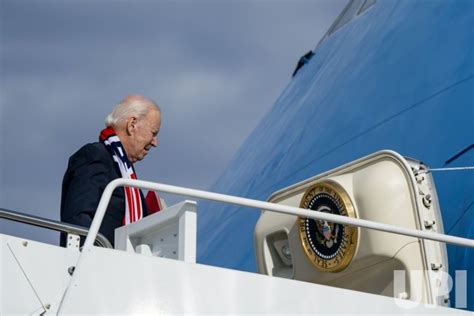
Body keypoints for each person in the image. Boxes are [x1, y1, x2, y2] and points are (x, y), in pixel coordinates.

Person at [60, 95, 162, 247]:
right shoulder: (94, 155)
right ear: (132, 124)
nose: (155, 142)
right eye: (153, 133)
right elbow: (78, 220)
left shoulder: (126, 175)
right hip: (98, 264)